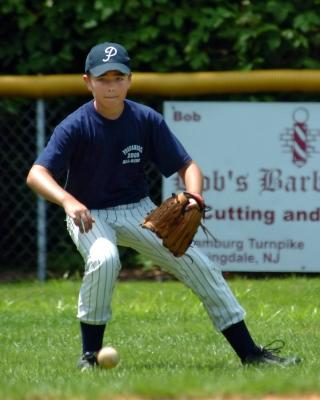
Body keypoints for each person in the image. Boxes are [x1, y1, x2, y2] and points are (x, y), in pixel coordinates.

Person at [26, 41, 300, 371]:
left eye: (118, 77)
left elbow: (188, 166)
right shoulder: (76, 125)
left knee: (202, 266)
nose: (111, 85)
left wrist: (195, 196)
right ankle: (90, 357)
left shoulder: (145, 120)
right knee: (105, 258)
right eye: (103, 78)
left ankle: (250, 354)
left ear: (129, 80)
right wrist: (68, 201)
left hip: (139, 211)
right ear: (88, 82)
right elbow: (36, 173)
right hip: (89, 214)